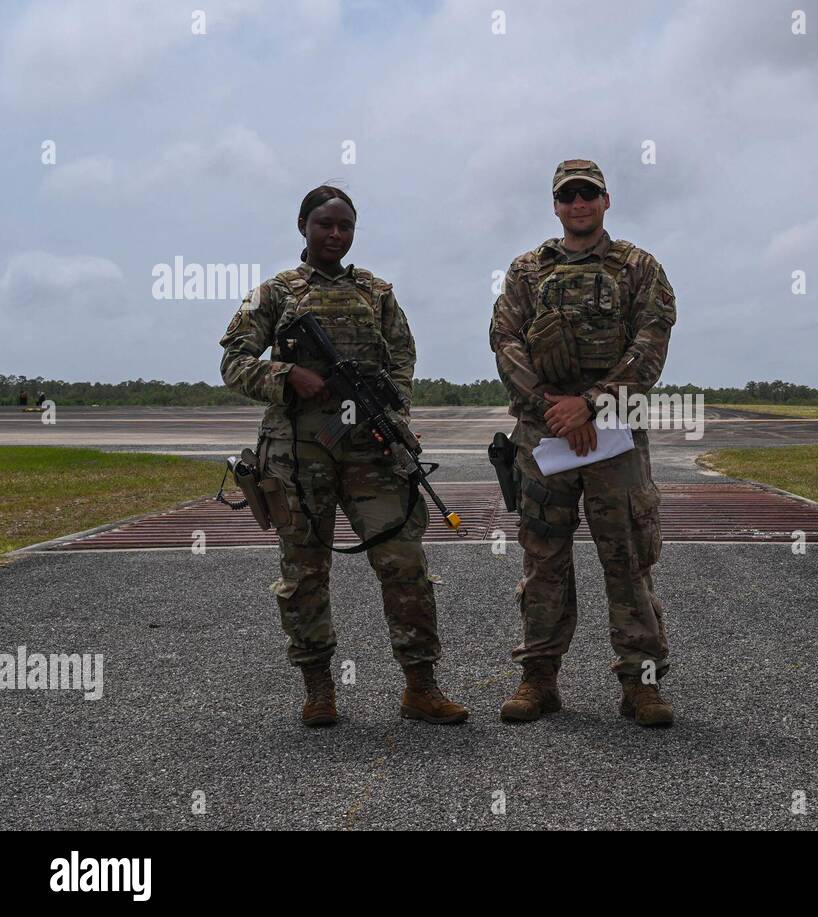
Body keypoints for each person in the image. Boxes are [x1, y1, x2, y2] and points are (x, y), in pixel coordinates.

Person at [219, 184, 468, 727]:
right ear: (303, 227)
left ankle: (421, 687)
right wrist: (289, 376)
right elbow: (234, 363)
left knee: (405, 565)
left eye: (345, 227)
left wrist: (391, 410)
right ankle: (318, 690)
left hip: (369, 450)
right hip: (298, 452)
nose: (335, 235)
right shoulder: (276, 294)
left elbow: (402, 356)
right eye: (325, 224)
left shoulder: (376, 293)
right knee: (305, 572)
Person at [489, 159, 678, 727]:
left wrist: (590, 402)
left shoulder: (639, 268)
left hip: (615, 438)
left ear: (606, 200)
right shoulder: (526, 271)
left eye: (588, 194)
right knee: (544, 558)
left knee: (627, 558)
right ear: (555, 205)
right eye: (568, 196)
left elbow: (651, 342)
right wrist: (556, 406)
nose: (578, 204)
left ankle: (641, 685)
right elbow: (504, 339)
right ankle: (538, 680)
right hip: (545, 437)